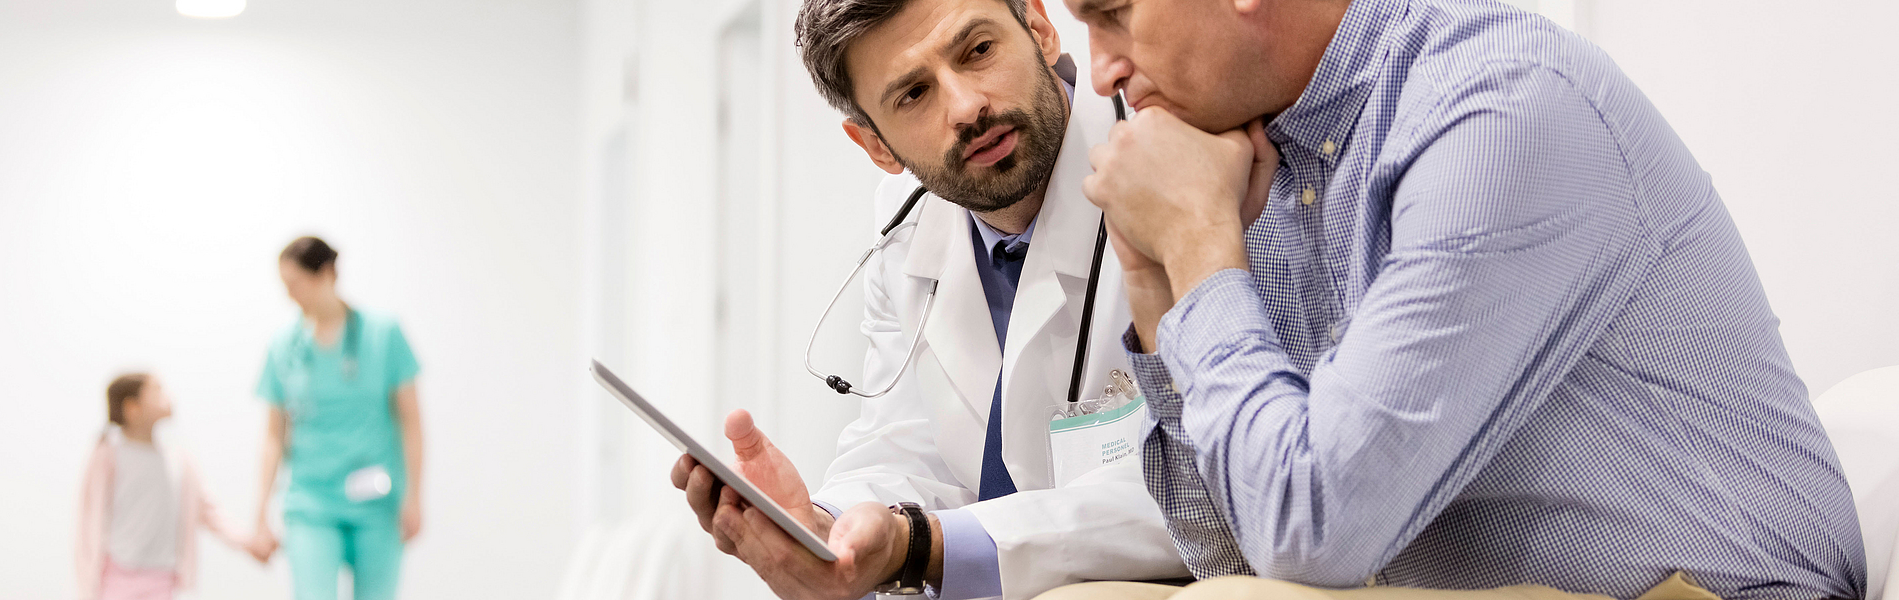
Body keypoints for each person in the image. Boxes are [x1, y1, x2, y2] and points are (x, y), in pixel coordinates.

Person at [1040, 0, 1868, 599]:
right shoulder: (1258, 155)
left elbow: (1307, 536)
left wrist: (1198, 246)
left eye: (1112, 12)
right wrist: (1156, 278)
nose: (1102, 67)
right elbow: (1230, 548)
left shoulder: (1497, 104)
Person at [667, 0, 1188, 598]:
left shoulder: (1171, 144)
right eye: (913, 94)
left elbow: (1204, 485)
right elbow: (904, 438)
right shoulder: (904, 223)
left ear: (1041, 29)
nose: (967, 107)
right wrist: (823, 525)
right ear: (876, 145)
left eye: (979, 50)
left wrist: (917, 545)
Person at [248, 237, 426, 600]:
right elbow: (273, 436)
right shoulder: (284, 346)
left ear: (327, 274)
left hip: (376, 500)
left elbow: (411, 422)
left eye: (296, 284)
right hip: (311, 501)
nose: (290, 295)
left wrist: (414, 496)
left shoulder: (383, 334)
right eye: (285, 286)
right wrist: (260, 512)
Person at [76, 372, 270, 600]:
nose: (168, 397)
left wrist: (249, 542)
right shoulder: (107, 455)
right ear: (132, 407)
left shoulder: (179, 460)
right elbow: (88, 522)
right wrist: (88, 586)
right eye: (157, 390)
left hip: (162, 577)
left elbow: (209, 511)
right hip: (117, 576)